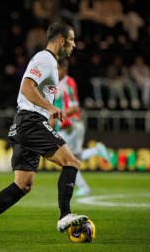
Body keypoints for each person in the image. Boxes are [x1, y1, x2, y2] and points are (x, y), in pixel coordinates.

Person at [0, 22, 88, 242]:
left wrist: (48, 113)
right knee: (72, 162)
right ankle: (64, 215)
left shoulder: (49, 62)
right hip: (29, 122)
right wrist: (50, 107)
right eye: (71, 40)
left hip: (28, 122)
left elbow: (34, 93)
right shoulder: (45, 59)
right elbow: (26, 87)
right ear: (61, 41)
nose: (74, 45)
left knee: (23, 184)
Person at [52, 58, 112, 197]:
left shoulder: (68, 83)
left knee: (67, 160)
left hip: (71, 126)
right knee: (72, 159)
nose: (55, 72)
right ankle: (96, 151)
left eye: (57, 69)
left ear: (63, 68)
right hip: (69, 126)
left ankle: (83, 186)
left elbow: (74, 107)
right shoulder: (59, 84)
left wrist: (56, 117)